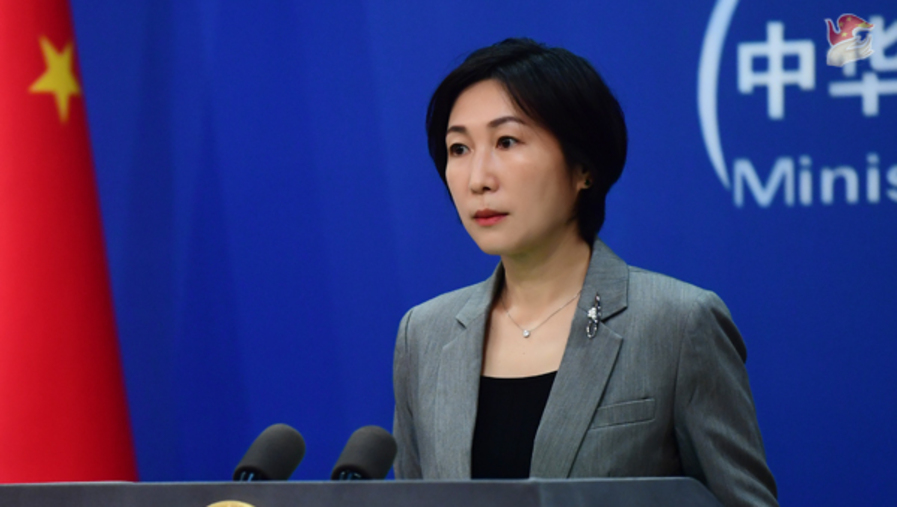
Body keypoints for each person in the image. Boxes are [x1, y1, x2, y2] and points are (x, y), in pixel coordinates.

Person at [392, 38, 778, 507]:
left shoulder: (677, 324)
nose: (478, 179)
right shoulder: (424, 335)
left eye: (507, 142)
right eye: (458, 149)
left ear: (583, 168)